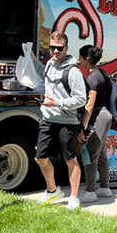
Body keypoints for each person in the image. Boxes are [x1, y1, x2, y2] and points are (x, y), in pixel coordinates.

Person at [33, 32, 89, 210]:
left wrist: (57, 102)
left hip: (67, 121)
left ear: (66, 48)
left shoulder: (73, 71)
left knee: (70, 160)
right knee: (40, 158)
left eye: (59, 48)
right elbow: (43, 74)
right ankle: (52, 191)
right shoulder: (49, 64)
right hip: (48, 119)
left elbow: (81, 99)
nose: (55, 51)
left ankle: (73, 197)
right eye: (52, 48)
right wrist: (31, 58)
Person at [78, 45, 113, 199]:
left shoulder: (92, 78)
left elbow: (90, 105)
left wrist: (83, 125)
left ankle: (90, 191)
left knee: (91, 154)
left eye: (80, 57)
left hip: (98, 116)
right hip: (106, 115)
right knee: (101, 153)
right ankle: (104, 188)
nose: (79, 60)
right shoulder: (102, 73)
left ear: (87, 59)